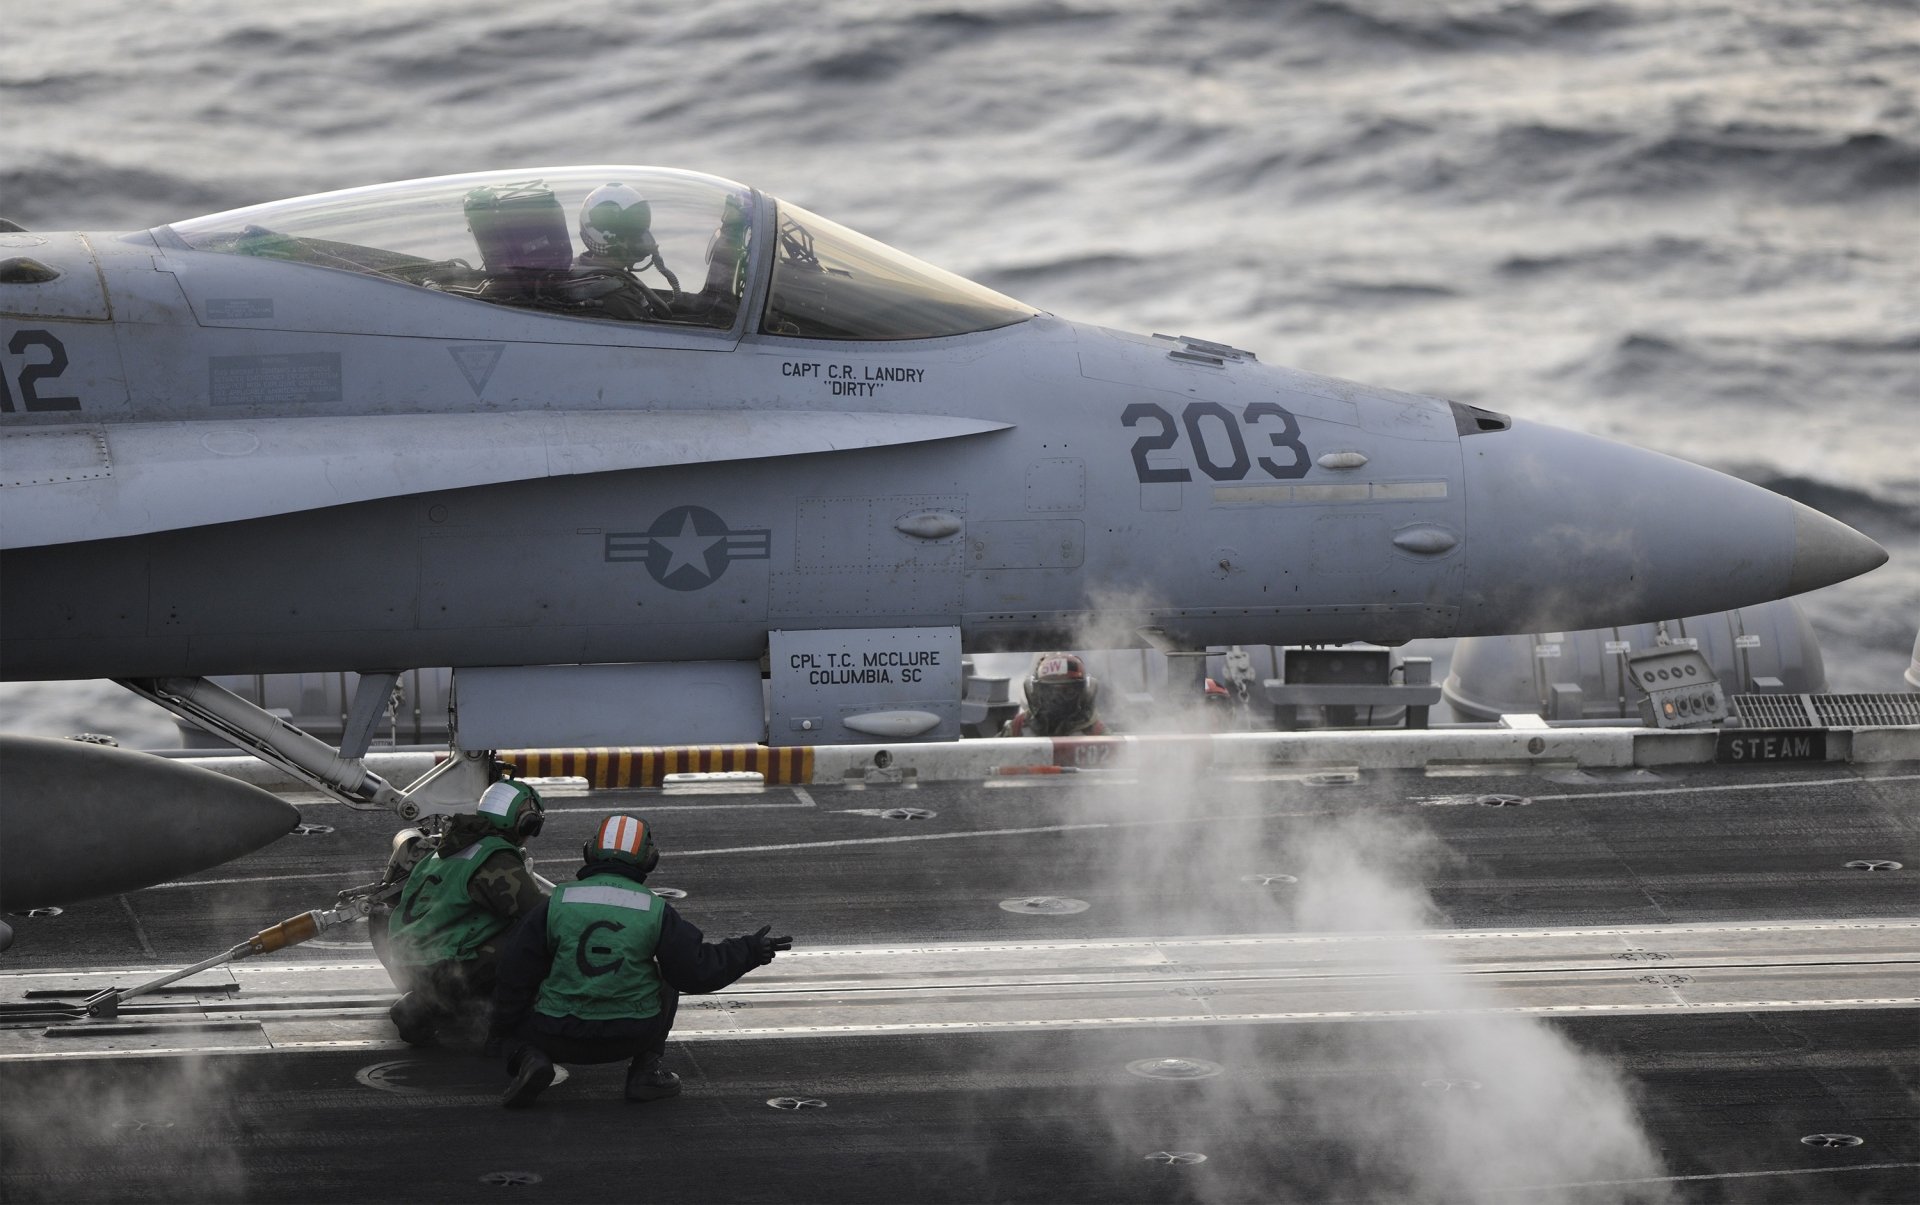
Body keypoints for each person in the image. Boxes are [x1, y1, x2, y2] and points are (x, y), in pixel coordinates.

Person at [490, 813, 791, 1108]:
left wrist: (503, 1033)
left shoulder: (558, 902)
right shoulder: (655, 909)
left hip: (554, 1033)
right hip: (630, 1034)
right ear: (649, 860)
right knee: (668, 975)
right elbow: (696, 971)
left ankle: (530, 1058)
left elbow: (513, 972)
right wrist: (750, 950)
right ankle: (646, 1072)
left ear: (589, 852)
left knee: (525, 979)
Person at [383, 779, 548, 1047]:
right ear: (524, 822)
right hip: (442, 967)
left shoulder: (449, 848)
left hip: (408, 964)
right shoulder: (494, 858)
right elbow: (537, 911)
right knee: (532, 935)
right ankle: (503, 1022)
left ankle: (436, 1004)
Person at [1000, 652, 1111, 736]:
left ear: (1083, 693)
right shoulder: (1018, 728)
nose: (1058, 699)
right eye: (1050, 691)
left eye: (1067, 691)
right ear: (1037, 692)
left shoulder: (1095, 733)